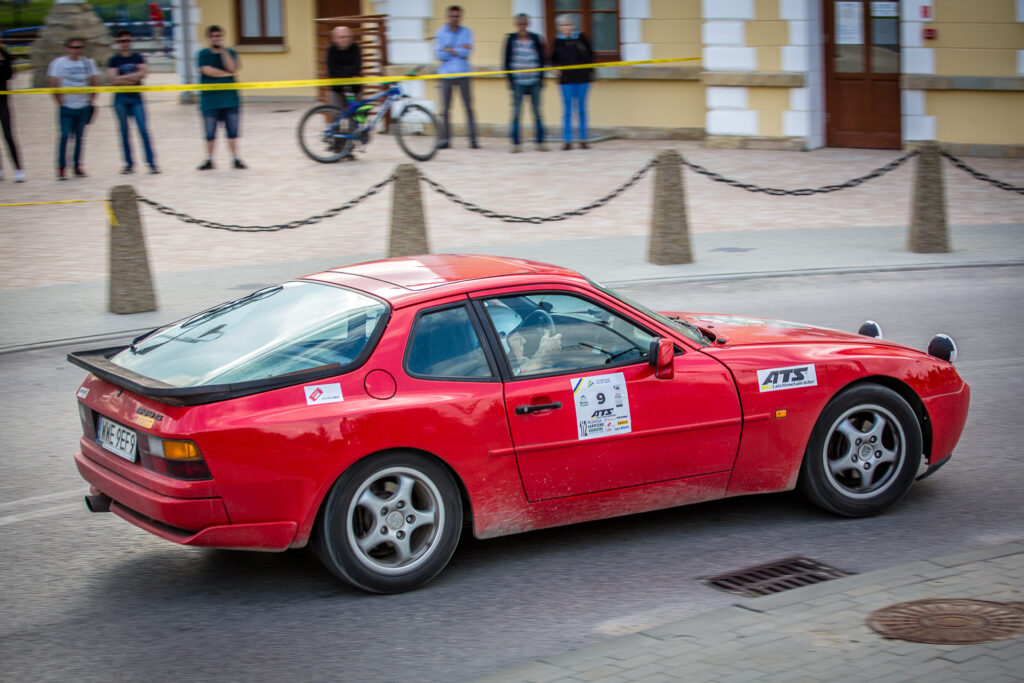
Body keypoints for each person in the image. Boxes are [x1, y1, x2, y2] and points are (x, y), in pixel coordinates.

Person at [47, 37, 99, 179]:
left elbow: (94, 82)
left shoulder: (88, 63)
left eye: (80, 48)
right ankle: (61, 168)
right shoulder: (58, 64)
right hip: (66, 106)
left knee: (79, 138)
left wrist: (90, 100)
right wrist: (60, 102)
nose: (77, 51)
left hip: (82, 106)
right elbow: (53, 85)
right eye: (74, 48)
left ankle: (77, 166)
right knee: (64, 136)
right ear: (68, 49)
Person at [108, 30, 158, 174]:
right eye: (122, 41)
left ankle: (151, 162)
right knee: (124, 131)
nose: (125, 44)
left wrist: (124, 79)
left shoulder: (137, 57)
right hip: (120, 99)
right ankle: (128, 164)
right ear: (118, 43)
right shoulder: (114, 60)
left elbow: (144, 74)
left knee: (143, 129)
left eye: (127, 40)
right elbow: (113, 79)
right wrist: (133, 78)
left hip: (137, 98)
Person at [197, 25, 244, 170]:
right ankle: (210, 159)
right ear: (208, 39)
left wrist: (223, 51)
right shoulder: (203, 53)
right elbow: (206, 70)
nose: (216, 38)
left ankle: (235, 158)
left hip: (230, 100)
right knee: (210, 133)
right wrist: (226, 74)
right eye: (213, 36)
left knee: (233, 132)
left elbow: (233, 68)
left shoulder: (230, 52)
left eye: (219, 36)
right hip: (210, 101)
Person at [434, 5, 478, 149]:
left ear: (460, 17)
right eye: (452, 16)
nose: (455, 19)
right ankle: (445, 140)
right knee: (445, 110)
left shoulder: (467, 32)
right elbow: (439, 54)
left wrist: (449, 49)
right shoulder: (440, 33)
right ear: (448, 17)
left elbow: (467, 52)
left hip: (463, 73)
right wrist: (458, 49)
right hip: (446, 74)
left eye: (457, 16)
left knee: (468, 108)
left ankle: (473, 139)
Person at [503, 13, 546, 153]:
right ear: (516, 24)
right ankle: (515, 143)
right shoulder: (511, 39)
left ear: (528, 24)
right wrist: (510, 79)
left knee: (537, 113)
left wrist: (541, 77)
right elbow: (506, 61)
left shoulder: (535, 38)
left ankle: (540, 142)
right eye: (520, 23)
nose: (522, 26)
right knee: (516, 114)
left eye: (525, 23)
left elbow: (542, 59)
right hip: (518, 82)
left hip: (534, 81)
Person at [550, 14, 593, 151]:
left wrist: (589, 71)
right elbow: (552, 59)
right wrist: (555, 69)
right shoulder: (557, 41)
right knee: (567, 110)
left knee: (581, 109)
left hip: (582, 79)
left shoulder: (581, 38)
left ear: (573, 26)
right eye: (563, 25)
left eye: (568, 24)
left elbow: (590, 56)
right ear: (559, 28)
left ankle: (583, 139)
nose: (566, 27)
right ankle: (567, 140)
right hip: (566, 81)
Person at [0, 35, 25, 182]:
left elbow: (9, 75)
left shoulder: (5, 56)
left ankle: (18, 169)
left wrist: (3, 61)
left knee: (8, 135)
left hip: (3, 101)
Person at [326, 26, 362, 110]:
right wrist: (350, 73)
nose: (346, 39)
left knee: (356, 116)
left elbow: (356, 68)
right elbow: (333, 72)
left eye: (349, 36)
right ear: (334, 39)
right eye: (342, 37)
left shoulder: (355, 48)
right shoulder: (331, 50)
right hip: (337, 89)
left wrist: (342, 71)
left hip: (353, 90)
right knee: (336, 116)